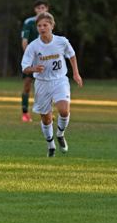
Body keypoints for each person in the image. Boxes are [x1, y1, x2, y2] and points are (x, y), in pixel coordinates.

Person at [21, 12, 82, 157]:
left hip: (60, 80)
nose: (42, 28)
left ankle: (60, 135)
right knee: (46, 119)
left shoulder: (61, 41)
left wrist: (76, 73)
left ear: (52, 26)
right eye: (39, 26)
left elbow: (71, 55)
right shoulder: (33, 46)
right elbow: (24, 67)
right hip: (42, 84)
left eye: (45, 25)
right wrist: (34, 68)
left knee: (64, 110)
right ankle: (51, 146)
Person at [21, 0, 49, 121]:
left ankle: (46, 112)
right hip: (33, 59)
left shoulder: (50, 22)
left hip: (46, 60)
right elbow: (24, 41)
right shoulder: (29, 22)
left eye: (43, 8)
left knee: (48, 86)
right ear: (35, 9)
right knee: (28, 84)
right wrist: (29, 58)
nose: (40, 10)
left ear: (46, 9)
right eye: (38, 8)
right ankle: (25, 113)